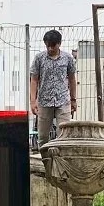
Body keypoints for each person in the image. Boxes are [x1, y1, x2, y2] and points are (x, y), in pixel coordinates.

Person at [29, 29, 76, 169]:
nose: (50, 48)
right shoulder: (39, 58)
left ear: (59, 44)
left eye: (53, 45)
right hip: (44, 101)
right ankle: (47, 164)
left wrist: (74, 99)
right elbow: (34, 79)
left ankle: (62, 165)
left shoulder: (68, 58)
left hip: (63, 101)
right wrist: (33, 100)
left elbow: (72, 79)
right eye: (48, 45)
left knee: (64, 135)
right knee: (43, 136)